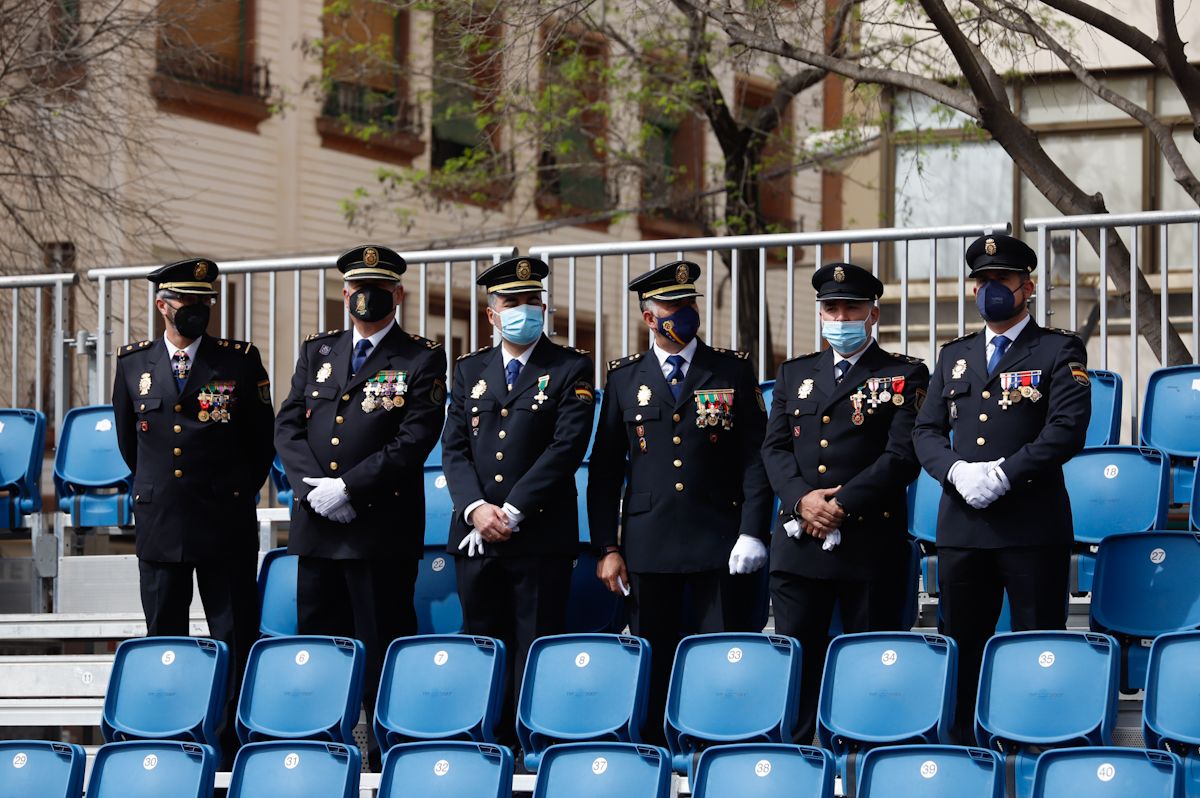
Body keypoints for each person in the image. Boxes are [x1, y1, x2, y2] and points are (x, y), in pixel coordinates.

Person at [913, 233, 1090, 741]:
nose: (991, 288)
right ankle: (964, 749)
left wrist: (1004, 473)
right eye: (982, 280)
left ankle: (1040, 744)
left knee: (1038, 647)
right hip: (964, 528)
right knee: (963, 646)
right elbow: (924, 431)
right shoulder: (955, 356)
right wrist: (956, 471)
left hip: (1030, 527)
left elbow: (1066, 429)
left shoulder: (1058, 349)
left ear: (1026, 287)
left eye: (1002, 280)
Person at [274, 244, 447, 766]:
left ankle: (384, 762)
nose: (364, 298)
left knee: (379, 650)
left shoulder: (421, 356)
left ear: (397, 294)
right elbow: (287, 427)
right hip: (318, 531)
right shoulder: (317, 352)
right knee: (318, 655)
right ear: (344, 293)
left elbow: (415, 439)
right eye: (356, 289)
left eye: (377, 290)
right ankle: (320, 759)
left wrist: (348, 488)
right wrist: (314, 492)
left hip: (379, 533)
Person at [587, 260, 773, 744]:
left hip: (719, 544)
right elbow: (606, 472)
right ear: (650, 317)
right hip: (649, 548)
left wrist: (753, 530)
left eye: (689, 302)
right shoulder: (625, 378)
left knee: (721, 662)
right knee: (654, 664)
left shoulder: (731, 369)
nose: (684, 312)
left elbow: (756, 459)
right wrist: (607, 547)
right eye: (672, 305)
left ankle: (720, 753)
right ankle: (653, 759)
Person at [112, 257, 275, 765]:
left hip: (224, 520)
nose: (197, 310)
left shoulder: (240, 361)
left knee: (233, 633)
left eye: (205, 301)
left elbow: (260, 442)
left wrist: (231, 492)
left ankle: (227, 743)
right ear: (163, 305)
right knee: (164, 633)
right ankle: (171, 737)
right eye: (186, 301)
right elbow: (128, 443)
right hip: (161, 521)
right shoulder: (133, 363)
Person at [761, 262, 929, 744]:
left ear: (872, 313)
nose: (841, 317)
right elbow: (773, 449)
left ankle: (864, 760)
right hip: (798, 548)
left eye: (851, 307)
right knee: (798, 666)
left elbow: (902, 455)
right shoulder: (794, 374)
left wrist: (839, 505)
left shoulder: (904, 374)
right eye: (831, 308)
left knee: (868, 669)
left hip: (867, 545)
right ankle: (795, 760)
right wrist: (801, 501)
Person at [441, 256, 595, 749]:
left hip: (538, 537)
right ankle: (484, 747)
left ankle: (534, 751)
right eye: (512, 302)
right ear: (491, 314)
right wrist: (475, 509)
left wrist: (511, 511)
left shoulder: (571, 366)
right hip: (474, 536)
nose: (523, 311)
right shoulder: (469, 370)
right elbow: (455, 446)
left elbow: (566, 447)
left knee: (536, 647)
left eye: (532, 302)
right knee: (481, 645)